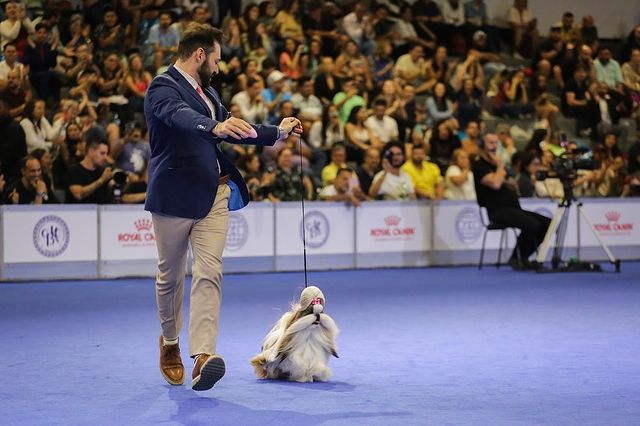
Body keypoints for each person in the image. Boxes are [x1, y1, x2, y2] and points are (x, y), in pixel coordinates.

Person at [143, 23, 302, 392]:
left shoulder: (209, 92)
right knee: (169, 278)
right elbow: (178, 116)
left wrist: (276, 132)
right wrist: (212, 126)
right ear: (199, 54)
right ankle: (170, 343)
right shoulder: (162, 87)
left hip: (214, 194)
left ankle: (202, 357)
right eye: (215, 58)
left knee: (209, 271)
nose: (218, 66)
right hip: (174, 197)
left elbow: (236, 128)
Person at [472, 134, 550, 270]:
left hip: (513, 208)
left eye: (496, 143)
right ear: (482, 145)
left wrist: (508, 181)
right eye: (491, 143)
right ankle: (517, 258)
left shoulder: (495, 165)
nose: (494, 146)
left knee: (547, 224)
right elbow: (496, 184)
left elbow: (510, 182)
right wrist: (501, 165)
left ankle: (523, 256)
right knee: (532, 225)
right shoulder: (480, 166)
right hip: (497, 211)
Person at [65, 133, 113, 204]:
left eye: (106, 154)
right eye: (102, 153)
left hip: (101, 212)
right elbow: (79, 195)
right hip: (78, 212)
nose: (105, 157)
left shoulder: (103, 171)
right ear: (90, 151)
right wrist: (101, 180)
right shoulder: (74, 170)